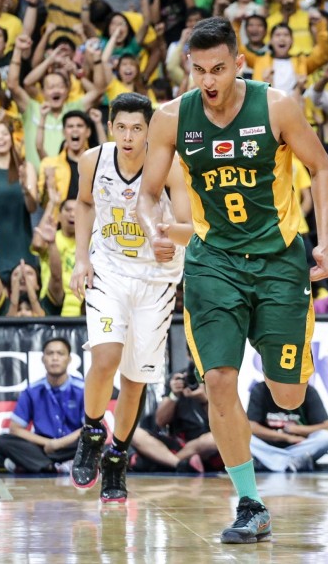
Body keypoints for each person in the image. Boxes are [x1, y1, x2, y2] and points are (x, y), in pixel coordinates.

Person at [136, 17, 328, 544]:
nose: (208, 80)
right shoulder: (171, 118)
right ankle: (250, 502)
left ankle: (286, 372)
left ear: (239, 64)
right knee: (219, 381)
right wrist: (151, 227)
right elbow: (148, 191)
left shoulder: (276, 106)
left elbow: (320, 169)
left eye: (218, 68)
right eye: (198, 70)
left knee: (287, 397)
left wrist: (324, 241)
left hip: (279, 261)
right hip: (213, 262)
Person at [68, 93, 192, 504]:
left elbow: (189, 227)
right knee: (105, 358)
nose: (128, 136)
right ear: (110, 127)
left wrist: (166, 237)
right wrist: (81, 258)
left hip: (156, 280)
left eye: (137, 128)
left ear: (150, 130)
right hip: (111, 270)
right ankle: (91, 433)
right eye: (121, 126)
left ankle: (117, 458)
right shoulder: (91, 161)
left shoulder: (171, 165)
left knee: (135, 380)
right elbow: (85, 203)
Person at [0, 336, 85, 475]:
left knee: (94, 440)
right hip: (43, 446)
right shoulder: (32, 390)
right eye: (50, 353)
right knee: (2, 441)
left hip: (71, 445)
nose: (55, 358)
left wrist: (59, 443)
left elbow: (90, 428)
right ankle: (55, 466)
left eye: (60, 353)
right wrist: (48, 443)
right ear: (43, 359)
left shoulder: (83, 389)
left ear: (69, 359)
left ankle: (35, 464)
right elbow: (15, 429)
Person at [247, 382, 328, 473]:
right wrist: (287, 438)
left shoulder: (308, 390)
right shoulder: (260, 389)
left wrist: (297, 429)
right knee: (242, 438)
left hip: (299, 448)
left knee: (325, 437)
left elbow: (327, 427)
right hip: (267, 447)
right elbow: (251, 427)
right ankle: (289, 464)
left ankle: (270, 463)